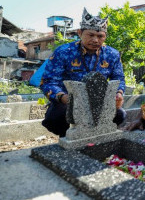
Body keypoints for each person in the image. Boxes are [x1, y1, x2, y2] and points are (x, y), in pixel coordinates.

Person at [41, 8, 126, 137]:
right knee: (55, 118)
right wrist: (64, 98)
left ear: (105, 36)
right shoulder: (63, 52)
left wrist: (119, 93)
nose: (96, 40)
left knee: (120, 115)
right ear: (80, 32)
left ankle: (96, 138)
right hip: (69, 100)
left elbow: (119, 77)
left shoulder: (112, 54)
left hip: (100, 100)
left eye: (100, 36)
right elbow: (48, 81)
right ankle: (68, 138)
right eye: (91, 35)